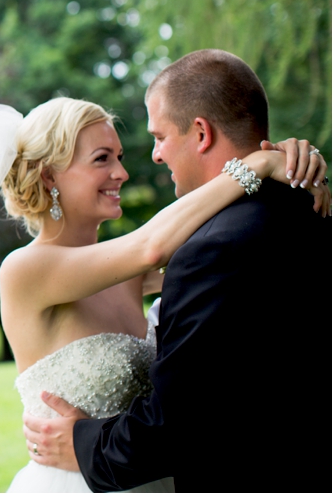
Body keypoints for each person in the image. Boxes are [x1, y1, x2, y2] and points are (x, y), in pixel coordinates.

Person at [19, 49, 331, 493]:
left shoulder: (206, 253)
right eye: (102, 158)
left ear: (200, 132)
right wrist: (261, 163)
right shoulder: (313, 209)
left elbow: (178, 418)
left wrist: (87, 444)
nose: (132, 168)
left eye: (157, 138)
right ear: (50, 176)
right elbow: (150, 247)